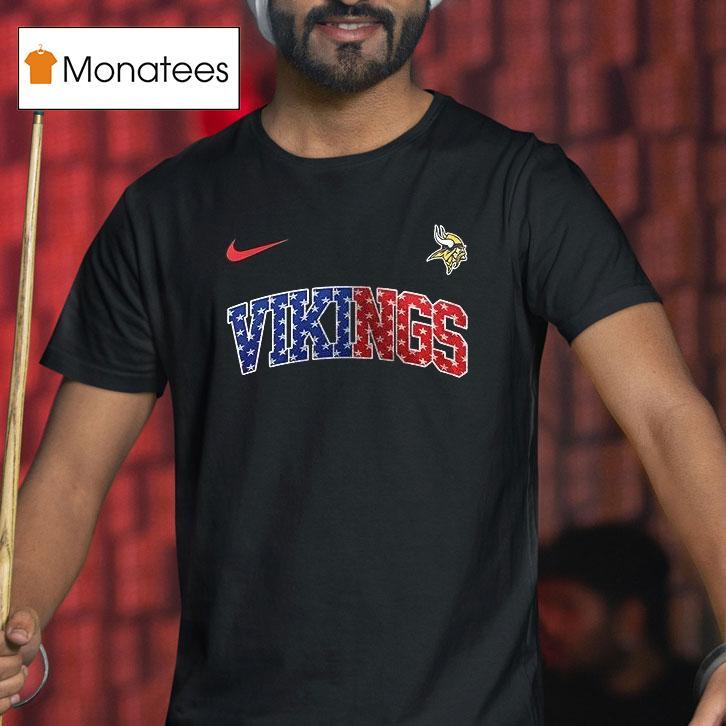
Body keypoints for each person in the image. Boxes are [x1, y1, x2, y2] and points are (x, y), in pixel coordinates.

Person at [2, 0, 725, 723]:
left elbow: (664, 414)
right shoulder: (166, 210)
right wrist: (15, 622)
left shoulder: (522, 186)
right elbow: (70, 475)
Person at [538, 522, 699, 725]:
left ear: (630, 619)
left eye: (567, 607)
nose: (550, 627)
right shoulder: (545, 703)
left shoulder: (702, 698)